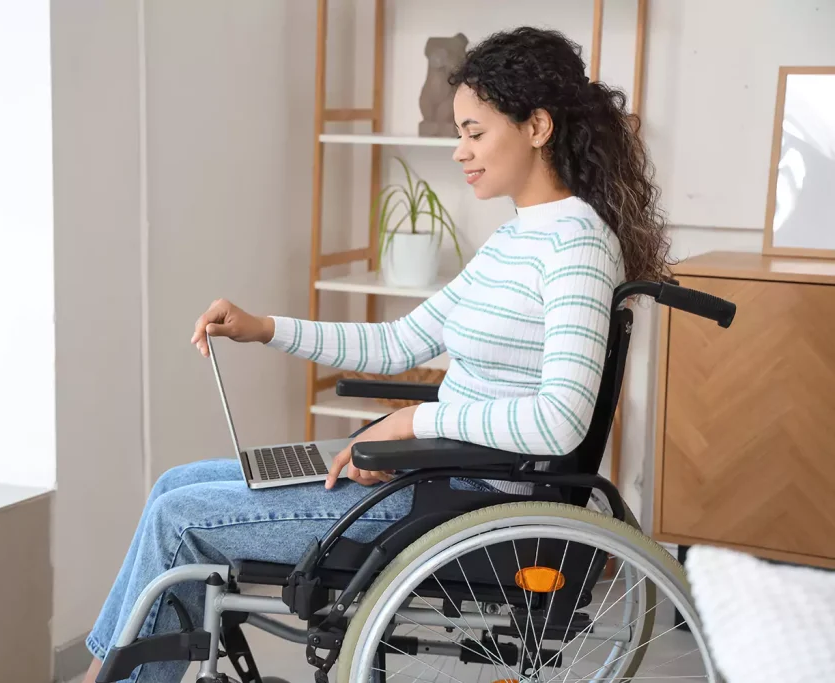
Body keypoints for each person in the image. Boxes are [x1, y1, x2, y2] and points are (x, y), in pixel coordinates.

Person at [80, 26, 671, 683]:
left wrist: (408, 424)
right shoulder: (519, 239)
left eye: (475, 132)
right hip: (435, 476)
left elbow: (559, 419)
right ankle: (107, 672)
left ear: (537, 126)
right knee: (175, 486)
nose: (460, 151)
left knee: (178, 518)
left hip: (465, 499)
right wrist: (263, 326)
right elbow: (397, 342)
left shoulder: (576, 249)